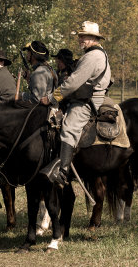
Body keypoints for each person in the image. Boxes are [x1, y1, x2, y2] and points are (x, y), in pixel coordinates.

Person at [40, 21, 112, 187]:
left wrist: (51, 98)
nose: (80, 39)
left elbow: (73, 83)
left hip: (89, 100)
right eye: (80, 36)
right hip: (89, 95)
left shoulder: (92, 56)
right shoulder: (96, 54)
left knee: (69, 127)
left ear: (94, 38)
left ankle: (63, 172)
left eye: (84, 36)